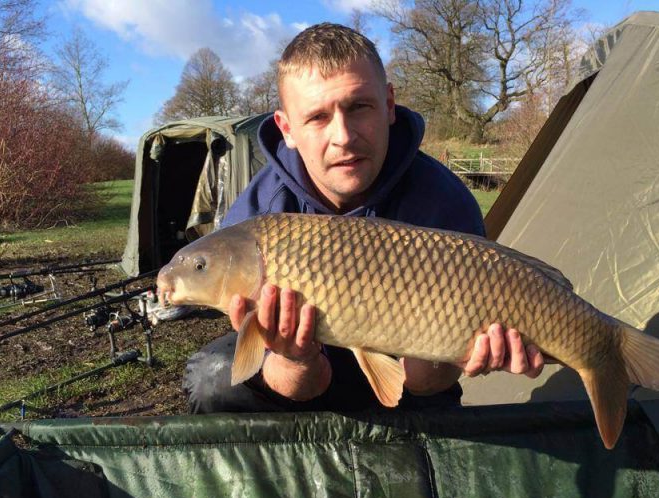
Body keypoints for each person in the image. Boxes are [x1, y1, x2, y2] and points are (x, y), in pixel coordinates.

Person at [184, 23, 544, 413]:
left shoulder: (442, 202)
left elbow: (423, 384)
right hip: (307, 379)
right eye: (318, 117)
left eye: (358, 107)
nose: (343, 136)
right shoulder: (258, 216)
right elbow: (300, 386)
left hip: (411, 372)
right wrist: (296, 358)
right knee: (213, 380)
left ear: (389, 105)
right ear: (287, 128)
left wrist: (464, 351)